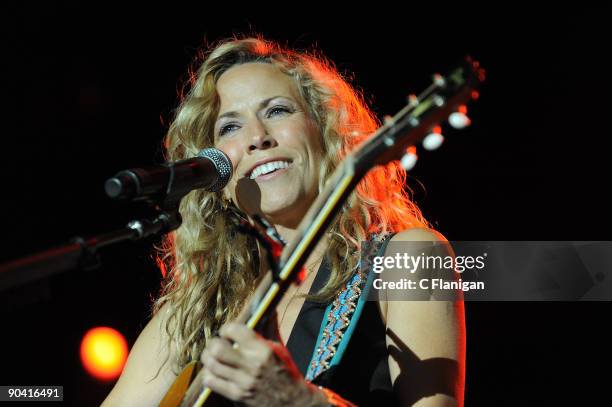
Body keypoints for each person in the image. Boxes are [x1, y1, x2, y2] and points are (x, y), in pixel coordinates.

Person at [102, 36, 465, 406]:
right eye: (230, 128)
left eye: (277, 111)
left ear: (326, 129)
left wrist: (298, 400)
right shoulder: (194, 310)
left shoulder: (410, 256)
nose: (257, 138)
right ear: (219, 184)